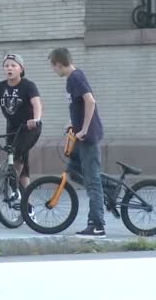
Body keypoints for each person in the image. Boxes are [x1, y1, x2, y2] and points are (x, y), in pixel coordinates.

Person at [48, 47, 106, 238]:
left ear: (58, 64)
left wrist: (84, 129)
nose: (53, 71)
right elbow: (79, 106)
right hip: (81, 135)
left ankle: (97, 225)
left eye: (53, 67)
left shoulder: (75, 77)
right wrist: (74, 124)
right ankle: (109, 189)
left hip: (87, 137)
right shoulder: (71, 79)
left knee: (92, 181)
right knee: (74, 171)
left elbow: (90, 102)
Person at [0, 53, 43, 219]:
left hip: (29, 128)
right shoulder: (0, 87)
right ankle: (28, 208)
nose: (9, 68)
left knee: (17, 154)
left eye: (13, 65)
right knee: (23, 169)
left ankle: (13, 188)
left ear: (21, 69)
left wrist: (36, 119)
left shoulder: (28, 85)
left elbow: (37, 103)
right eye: (6, 65)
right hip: (12, 128)